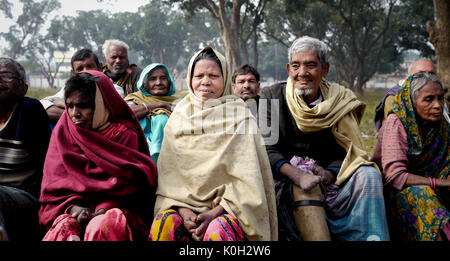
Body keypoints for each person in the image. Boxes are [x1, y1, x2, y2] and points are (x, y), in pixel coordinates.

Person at [259, 36, 390, 241]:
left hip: (332, 177)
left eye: (311, 65)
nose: (302, 73)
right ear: (288, 69)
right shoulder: (271, 96)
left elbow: (349, 151)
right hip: (286, 179)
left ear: (325, 69)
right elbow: (266, 149)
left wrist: (327, 174)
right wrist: (299, 175)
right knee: (306, 189)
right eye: (296, 66)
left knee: (369, 175)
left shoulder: (340, 100)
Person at [149, 47, 277, 241]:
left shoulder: (241, 118)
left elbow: (249, 183)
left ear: (225, 79)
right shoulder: (178, 117)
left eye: (213, 76)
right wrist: (184, 212)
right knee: (165, 223)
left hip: (228, 209)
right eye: (199, 75)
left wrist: (214, 213)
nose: (205, 82)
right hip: (182, 207)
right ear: (191, 79)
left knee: (219, 229)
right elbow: (169, 179)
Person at [39, 71, 158, 241]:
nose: (75, 113)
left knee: (100, 227)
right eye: (70, 106)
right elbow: (54, 185)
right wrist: (74, 209)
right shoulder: (63, 131)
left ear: (102, 104)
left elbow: (131, 185)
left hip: (114, 208)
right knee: (64, 229)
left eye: (83, 106)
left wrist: (103, 207)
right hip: (70, 207)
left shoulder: (124, 134)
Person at [372, 73, 449, 241]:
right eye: (428, 99)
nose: (438, 105)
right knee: (422, 195)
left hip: (435, 189)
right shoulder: (397, 123)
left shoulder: (441, 124)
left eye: (440, 98)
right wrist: (440, 183)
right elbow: (395, 176)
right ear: (412, 102)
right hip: (398, 196)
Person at [0, 57, 51, 241]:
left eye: (6, 76)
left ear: (23, 88)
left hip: (25, 196)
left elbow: (48, 165)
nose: (0, 80)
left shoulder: (29, 111)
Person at [40, 49, 125, 127]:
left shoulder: (114, 89)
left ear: (100, 68)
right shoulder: (70, 90)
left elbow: (108, 112)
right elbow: (43, 105)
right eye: (80, 69)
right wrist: (78, 116)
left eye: (89, 66)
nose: (86, 71)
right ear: (73, 73)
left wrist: (64, 105)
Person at [125, 63, 186, 164]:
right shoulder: (135, 98)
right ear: (145, 83)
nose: (158, 82)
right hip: (138, 152)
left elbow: (186, 117)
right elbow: (127, 113)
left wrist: (167, 107)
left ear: (169, 81)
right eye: (153, 79)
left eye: (163, 78)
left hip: (173, 155)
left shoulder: (179, 102)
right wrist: (159, 105)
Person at [374, 59, 439, 131]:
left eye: (431, 74)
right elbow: (395, 130)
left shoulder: (438, 95)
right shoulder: (395, 97)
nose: (427, 77)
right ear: (407, 77)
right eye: (420, 74)